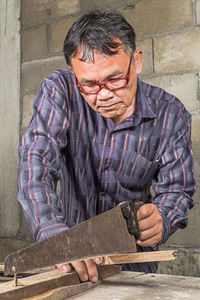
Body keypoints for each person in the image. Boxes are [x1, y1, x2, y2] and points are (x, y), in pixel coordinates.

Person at [18, 10, 196, 283]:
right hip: (71, 261)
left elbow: (177, 189)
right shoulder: (60, 91)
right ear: (73, 75)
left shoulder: (170, 114)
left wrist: (164, 217)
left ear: (136, 62)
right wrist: (54, 234)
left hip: (133, 266)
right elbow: (36, 161)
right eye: (88, 84)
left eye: (115, 79)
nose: (103, 94)